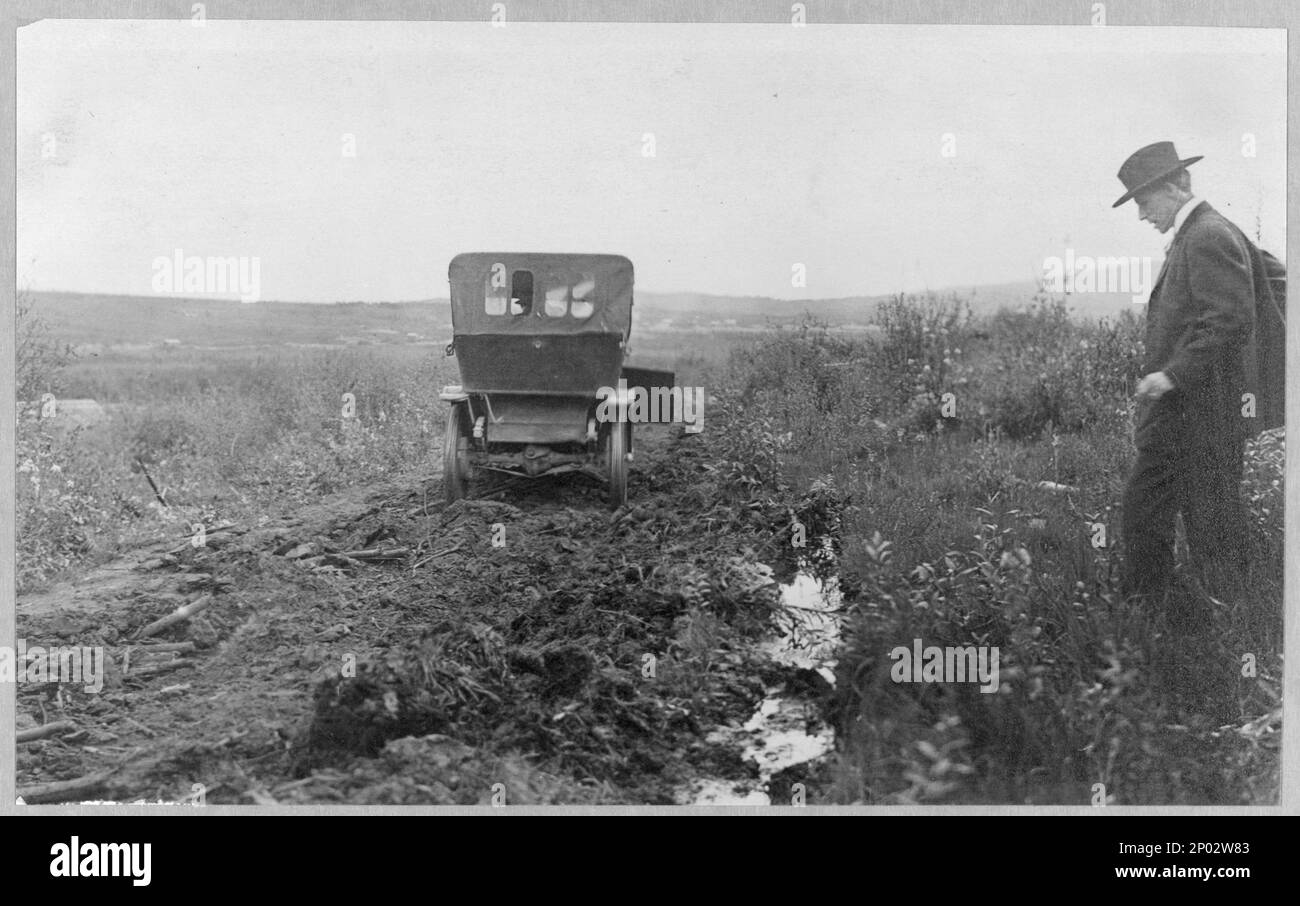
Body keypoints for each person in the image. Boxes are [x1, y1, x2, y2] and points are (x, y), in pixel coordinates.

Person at [1111, 141, 1255, 608]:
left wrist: (1172, 375)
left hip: (1196, 409)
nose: (1141, 215)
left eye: (1143, 201)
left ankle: (1157, 610)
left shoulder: (1207, 234)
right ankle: (1200, 608)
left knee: (1163, 509)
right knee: (1205, 512)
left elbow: (1230, 318)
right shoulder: (1198, 233)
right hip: (1196, 410)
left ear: (1176, 186)